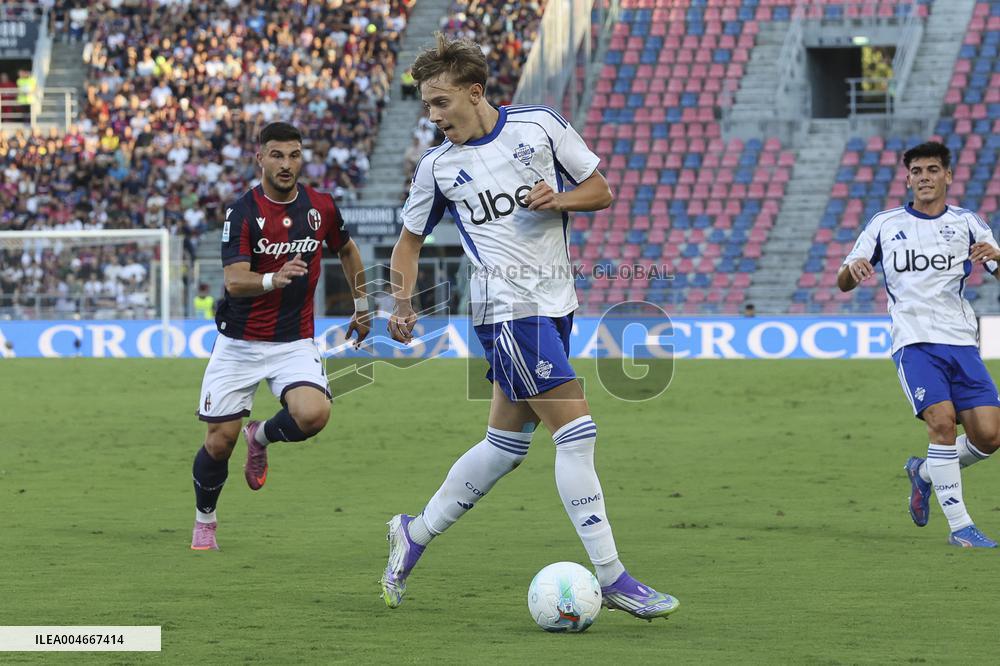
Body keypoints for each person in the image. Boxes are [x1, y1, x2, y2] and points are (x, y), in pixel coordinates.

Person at [379, 34, 680, 620]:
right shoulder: (438, 168)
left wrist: (558, 199)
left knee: (504, 448)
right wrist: (401, 303)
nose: (434, 117)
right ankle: (613, 577)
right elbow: (408, 243)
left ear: (475, 91)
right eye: (427, 107)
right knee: (578, 432)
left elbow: (600, 190)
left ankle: (413, 533)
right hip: (506, 309)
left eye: (442, 103)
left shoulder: (539, 127)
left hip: (556, 303)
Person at [190, 122, 371, 551]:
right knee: (219, 443)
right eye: (277, 155)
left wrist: (362, 305)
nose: (286, 164)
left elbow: (346, 248)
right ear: (261, 159)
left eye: (294, 155)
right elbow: (235, 282)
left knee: (314, 415)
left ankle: (262, 436)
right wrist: (274, 279)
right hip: (239, 342)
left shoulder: (321, 207)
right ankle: (205, 520)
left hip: (293, 340)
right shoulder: (242, 212)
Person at [838, 141, 1000, 548]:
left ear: (947, 175)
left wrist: (996, 255)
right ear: (908, 178)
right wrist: (853, 271)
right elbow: (843, 279)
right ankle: (961, 527)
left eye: (932, 170)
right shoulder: (884, 223)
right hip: (914, 342)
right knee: (942, 424)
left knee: (990, 437)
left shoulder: (968, 223)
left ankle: (924, 472)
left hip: (961, 342)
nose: (923, 177)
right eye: (916, 172)